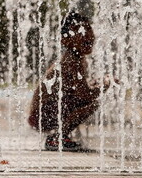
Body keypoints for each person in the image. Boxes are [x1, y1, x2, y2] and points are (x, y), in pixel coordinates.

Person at [27, 11, 113, 151]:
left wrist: (94, 85)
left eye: (89, 29)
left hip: (46, 112)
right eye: (80, 31)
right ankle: (57, 138)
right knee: (91, 103)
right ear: (64, 40)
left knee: (86, 100)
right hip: (42, 116)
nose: (88, 35)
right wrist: (105, 84)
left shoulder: (77, 59)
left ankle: (61, 136)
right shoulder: (70, 62)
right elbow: (83, 95)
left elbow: (78, 89)